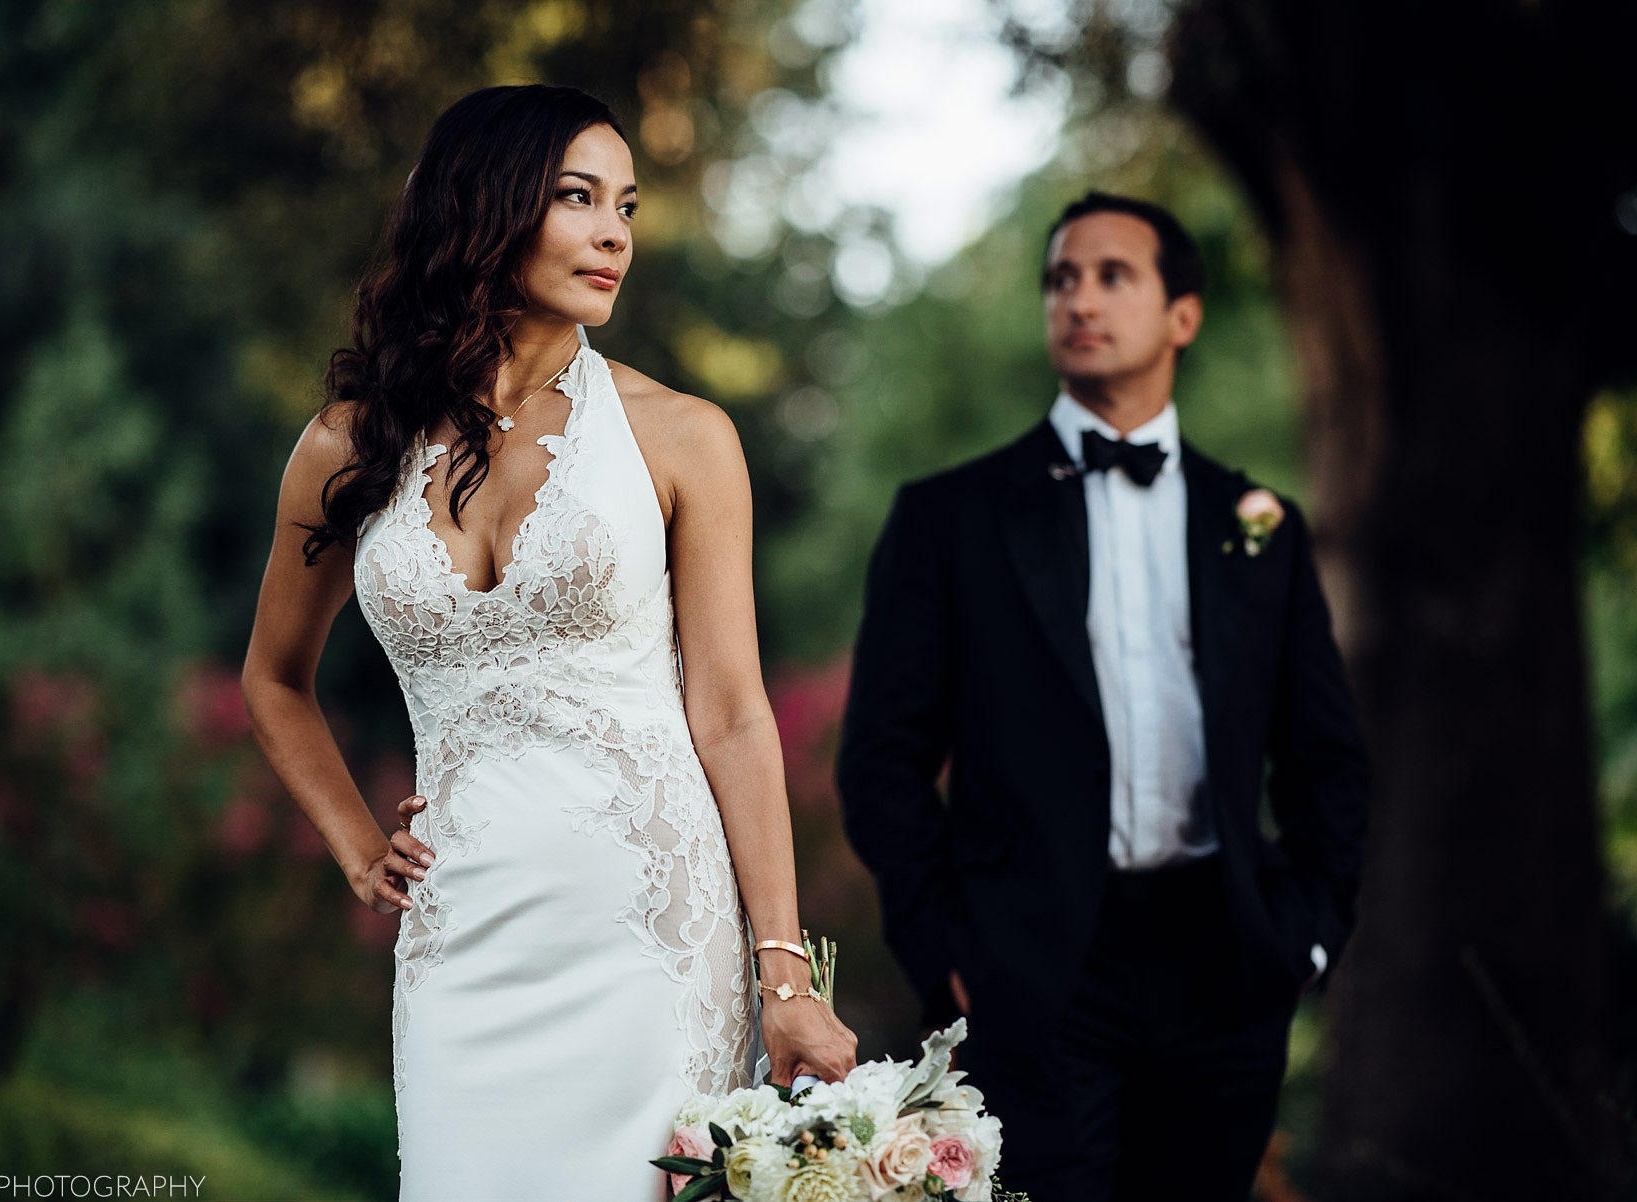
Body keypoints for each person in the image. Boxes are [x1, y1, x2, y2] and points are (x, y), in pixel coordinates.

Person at [240, 84, 855, 1201]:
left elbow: (731, 710)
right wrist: (351, 840)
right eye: (579, 197)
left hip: (653, 932)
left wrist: (786, 973)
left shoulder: (685, 436)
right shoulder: (347, 442)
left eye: (627, 203)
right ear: (488, 206)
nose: (616, 230)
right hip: (463, 938)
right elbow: (275, 678)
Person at [837, 191, 1369, 1200]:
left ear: (1183, 315)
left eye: (1112, 274)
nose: (1079, 298)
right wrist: (943, 943)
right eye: (1060, 278)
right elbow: (881, 759)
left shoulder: (1258, 523)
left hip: (1225, 960)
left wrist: (1302, 934)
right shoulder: (950, 518)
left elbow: (1325, 756)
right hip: (1032, 966)